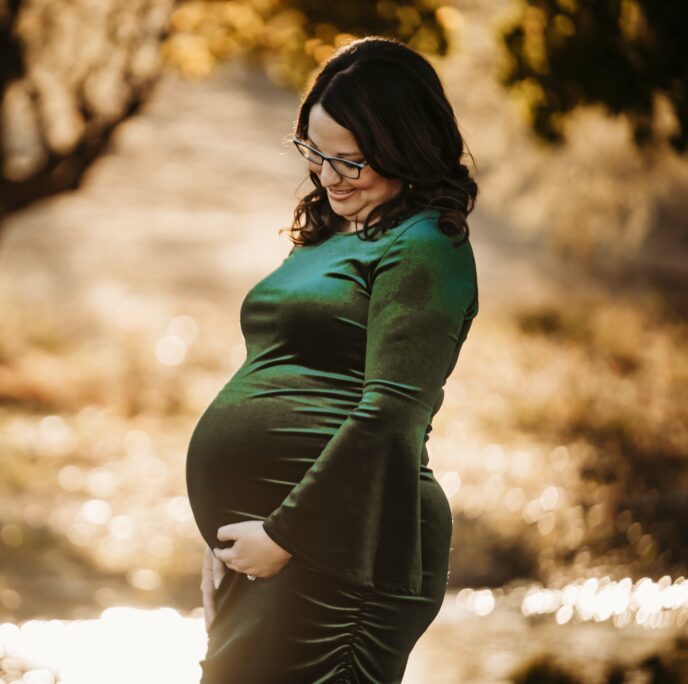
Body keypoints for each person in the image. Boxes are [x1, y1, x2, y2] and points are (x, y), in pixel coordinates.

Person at [185, 35, 479, 683]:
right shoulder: (337, 229)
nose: (326, 175)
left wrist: (286, 534)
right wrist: (233, 540)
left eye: (350, 160)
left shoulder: (426, 244)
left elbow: (392, 414)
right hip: (274, 549)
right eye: (314, 152)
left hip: (340, 553)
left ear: (407, 144)